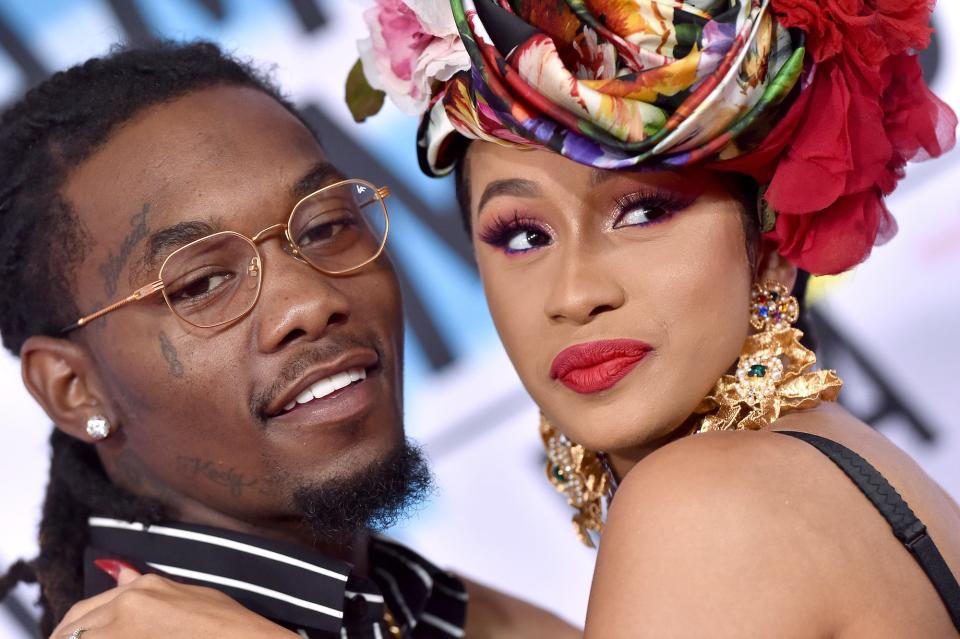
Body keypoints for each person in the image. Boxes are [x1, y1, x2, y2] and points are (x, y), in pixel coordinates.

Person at [349, 0, 960, 635]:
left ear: (773, 240)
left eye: (642, 212)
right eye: (524, 236)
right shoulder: (840, 474)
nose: (575, 293)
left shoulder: (699, 503)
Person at [0, 42, 580, 639]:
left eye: (326, 226)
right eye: (202, 283)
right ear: (75, 389)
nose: (311, 301)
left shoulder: (454, 616)